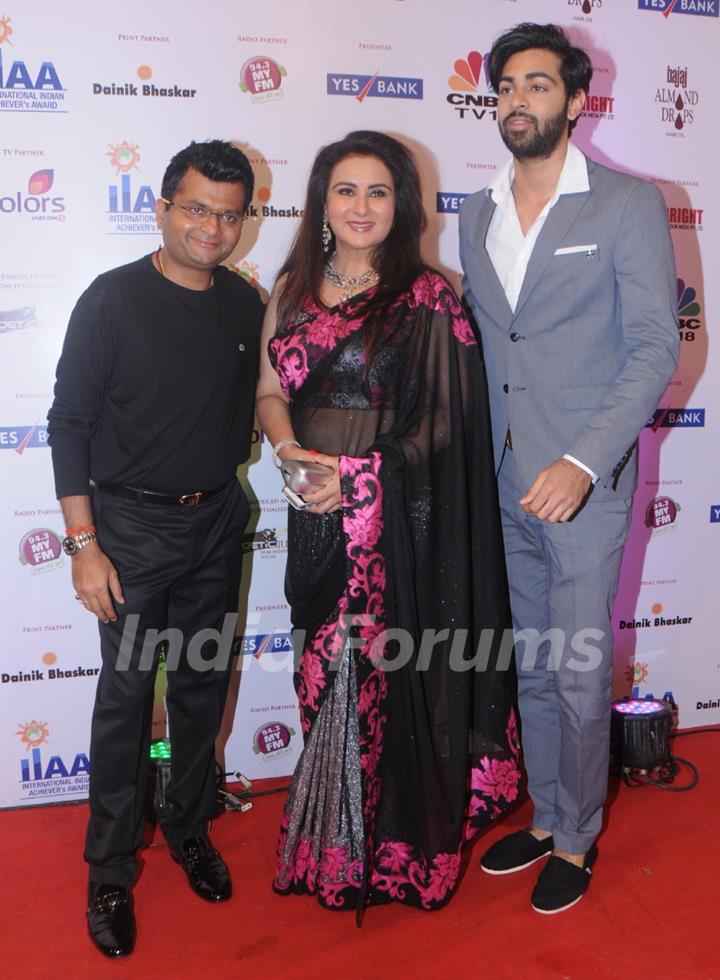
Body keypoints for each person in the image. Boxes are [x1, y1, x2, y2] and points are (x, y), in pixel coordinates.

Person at [256, 130, 521, 918]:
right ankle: (332, 843)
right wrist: (289, 450)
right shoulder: (292, 286)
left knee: (398, 679)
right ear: (322, 202)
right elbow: (271, 391)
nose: (362, 206)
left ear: (400, 204)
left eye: (378, 191)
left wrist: (364, 477)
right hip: (313, 518)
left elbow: (449, 421)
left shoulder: (429, 295)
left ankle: (400, 851)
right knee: (321, 677)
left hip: (400, 527)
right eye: (346, 190)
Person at [459, 24, 679, 914]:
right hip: (504, 481)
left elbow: (655, 349)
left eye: (538, 85)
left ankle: (580, 838)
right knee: (537, 668)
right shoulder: (474, 210)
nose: (518, 99)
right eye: (506, 85)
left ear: (577, 101)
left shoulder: (627, 202)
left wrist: (585, 461)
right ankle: (550, 815)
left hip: (581, 483)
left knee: (581, 669)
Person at [47, 139, 264, 957]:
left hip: (216, 522)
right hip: (129, 532)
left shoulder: (244, 306)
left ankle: (189, 825)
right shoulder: (112, 300)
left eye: (229, 213)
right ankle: (108, 869)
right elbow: (67, 425)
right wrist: (83, 544)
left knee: (204, 686)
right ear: (164, 206)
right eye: (197, 208)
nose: (212, 227)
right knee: (129, 695)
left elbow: (273, 399)